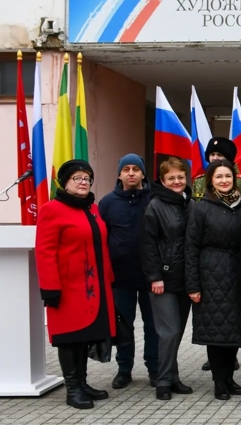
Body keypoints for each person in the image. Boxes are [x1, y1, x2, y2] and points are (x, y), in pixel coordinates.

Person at [36, 160, 116, 409]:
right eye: (77, 178)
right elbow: (44, 251)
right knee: (69, 338)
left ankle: (82, 383)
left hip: (93, 286)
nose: (83, 183)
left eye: (87, 178)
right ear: (65, 182)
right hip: (67, 288)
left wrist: (109, 279)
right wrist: (50, 287)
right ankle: (72, 389)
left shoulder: (91, 208)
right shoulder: (52, 209)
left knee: (85, 336)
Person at [186, 160, 241, 400]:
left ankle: (230, 378)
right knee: (215, 332)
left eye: (228, 176)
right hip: (210, 274)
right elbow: (191, 247)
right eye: (218, 177)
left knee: (233, 329)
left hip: (237, 274)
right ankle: (219, 381)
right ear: (210, 181)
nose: (224, 180)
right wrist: (192, 285)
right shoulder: (200, 207)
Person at [98, 153, 158, 389]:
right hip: (120, 276)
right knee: (124, 325)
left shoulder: (155, 199)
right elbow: (101, 238)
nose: (131, 173)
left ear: (143, 173)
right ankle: (124, 369)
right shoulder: (108, 203)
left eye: (136, 169)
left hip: (151, 276)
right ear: (120, 174)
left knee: (153, 325)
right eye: (126, 169)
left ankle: (154, 368)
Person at [139, 158, 195, 400]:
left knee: (177, 331)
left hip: (185, 278)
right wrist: (154, 276)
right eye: (171, 178)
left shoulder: (190, 204)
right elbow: (147, 244)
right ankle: (162, 381)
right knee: (168, 331)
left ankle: (173, 377)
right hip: (163, 278)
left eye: (180, 177)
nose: (176, 181)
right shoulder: (155, 206)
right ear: (162, 181)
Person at [191, 137, 241, 201]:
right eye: (212, 154)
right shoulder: (199, 181)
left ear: (229, 158)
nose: (215, 158)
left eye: (219, 155)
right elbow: (194, 204)